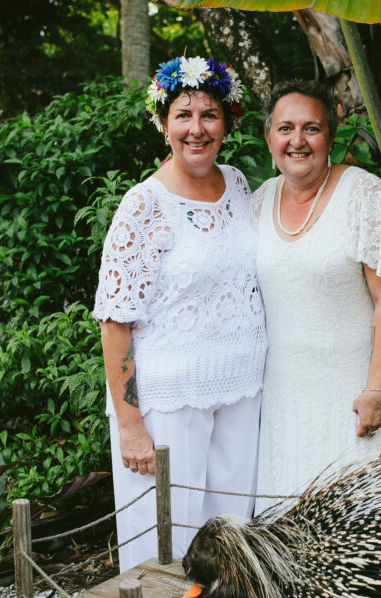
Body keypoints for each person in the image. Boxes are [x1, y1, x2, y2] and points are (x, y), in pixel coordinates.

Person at [92, 56, 266, 571]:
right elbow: (114, 320)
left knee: (231, 543)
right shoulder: (142, 206)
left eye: (209, 115)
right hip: (168, 404)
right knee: (165, 548)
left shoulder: (238, 185)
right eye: (183, 115)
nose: (197, 128)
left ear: (228, 121)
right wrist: (129, 424)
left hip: (241, 392)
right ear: (163, 124)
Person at [253, 80, 381, 513]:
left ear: (331, 135)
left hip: (353, 393)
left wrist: (376, 391)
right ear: (269, 137)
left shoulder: (364, 196)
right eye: (285, 128)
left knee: (357, 524)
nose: (297, 140)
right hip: (284, 395)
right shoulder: (258, 201)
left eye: (311, 128)